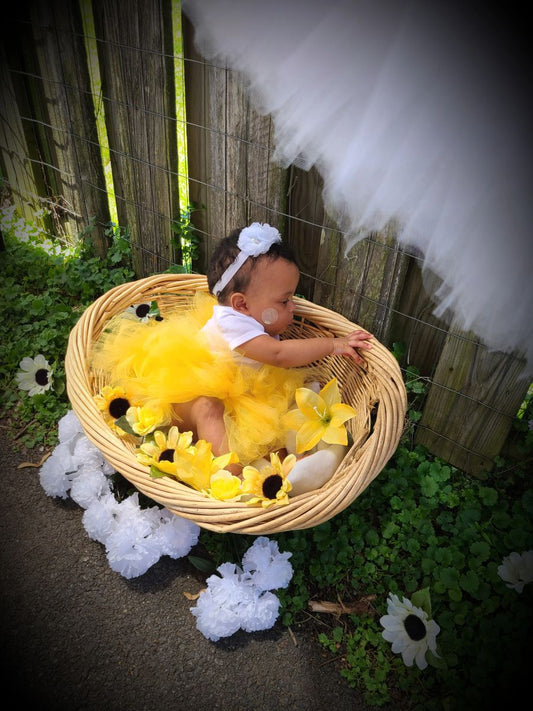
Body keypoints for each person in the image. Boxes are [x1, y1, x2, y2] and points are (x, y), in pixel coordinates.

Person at [90, 222, 372, 493]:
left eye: (292, 298)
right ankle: (231, 475)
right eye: (284, 301)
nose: (293, 308)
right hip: (190, 398)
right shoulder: (233, 322)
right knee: (208, 408)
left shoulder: (253, 316)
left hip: (241, 396)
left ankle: (283, 465)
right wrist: (333, 345)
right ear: (241, 304)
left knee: (269, 419)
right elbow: (279, 355)